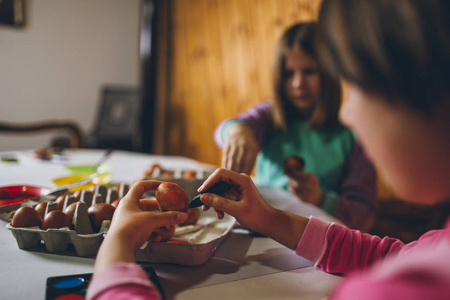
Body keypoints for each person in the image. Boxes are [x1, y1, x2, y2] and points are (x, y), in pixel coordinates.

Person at [87, 0, 450, 299]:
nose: (347, 112)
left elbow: (371, 229)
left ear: (430, 87)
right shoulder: (436, 248)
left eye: (357, 85)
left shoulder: (396, 290)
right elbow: (390, 255)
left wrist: (116, 250)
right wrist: (268, 215)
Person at [214, 22, 377, 232]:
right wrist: (238, 132)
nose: (299, 83)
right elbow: (223, 131)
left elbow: (364, 217)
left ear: (330, 72)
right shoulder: (269, 117)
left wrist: (319, 199)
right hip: (260, 231)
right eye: (289, 73)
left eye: (310, 71)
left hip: (320, 239)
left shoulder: (352, 136)